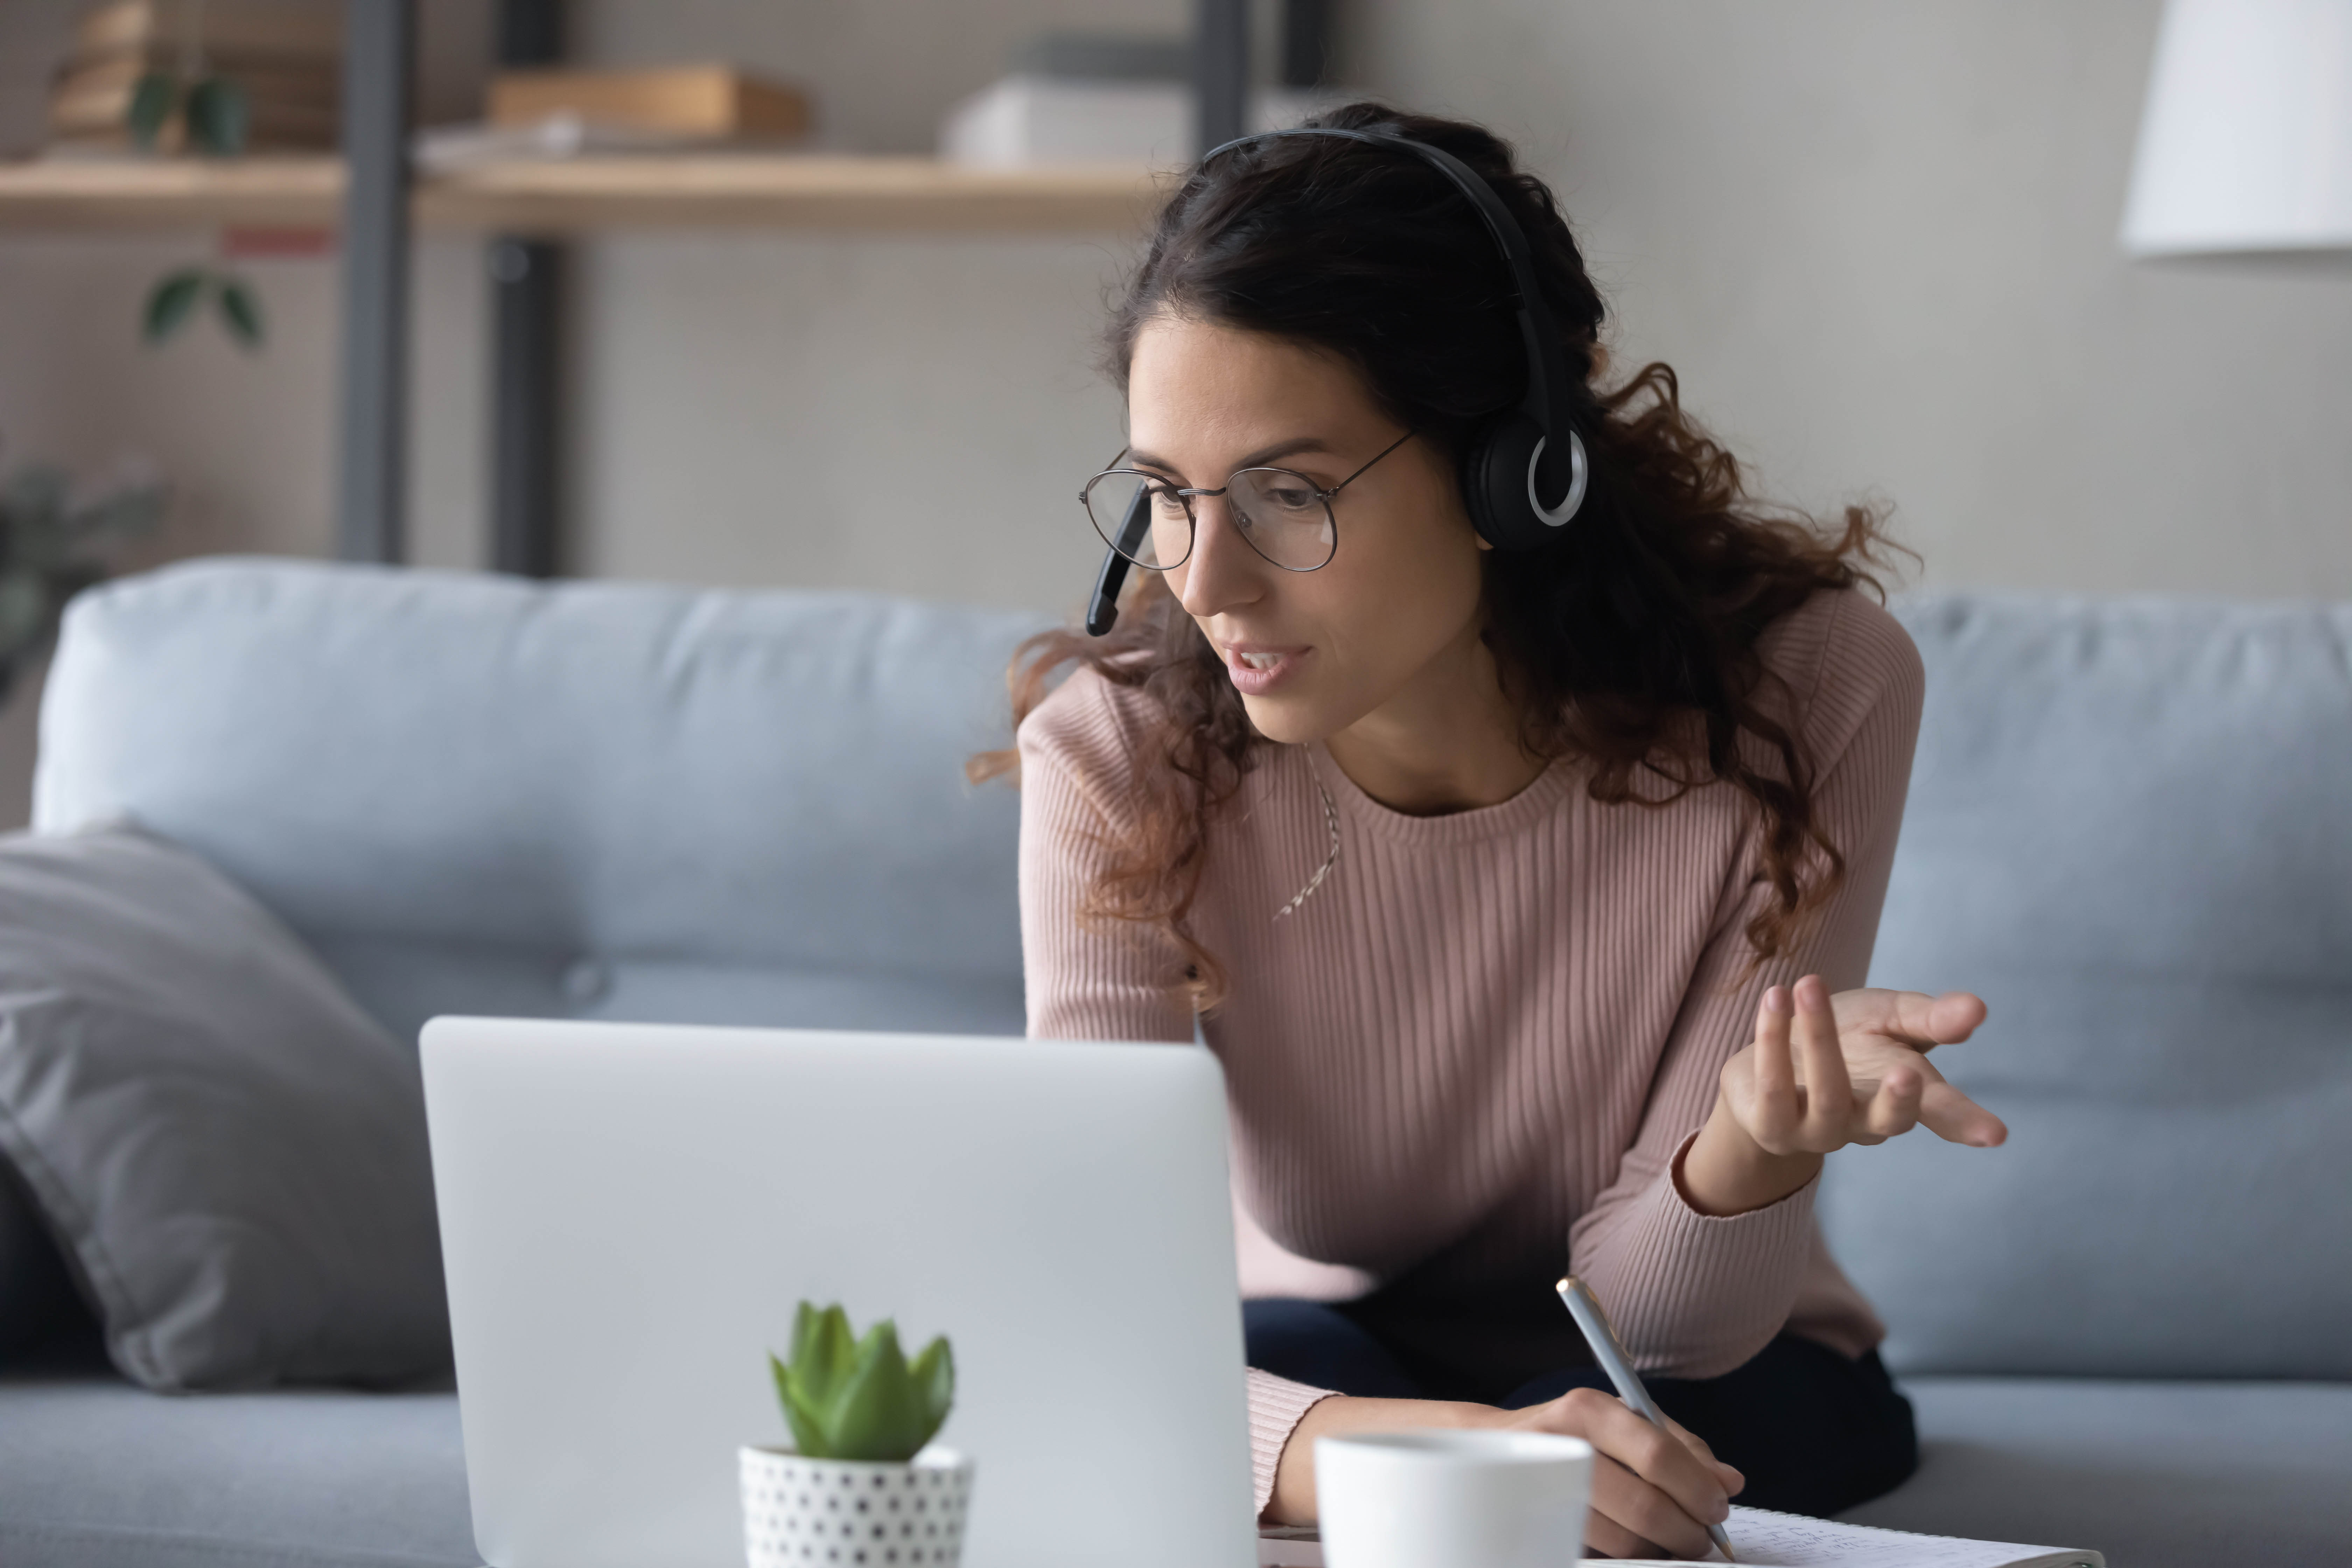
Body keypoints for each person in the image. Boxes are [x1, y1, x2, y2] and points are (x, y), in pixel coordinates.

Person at [977, 103, 2008, 1560]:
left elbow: (1674, 1325)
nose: (1207, 584)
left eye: (1286, 492)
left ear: (1517, 465)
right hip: (1329, 1358)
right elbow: (1091, 1337)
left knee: (1625, 1456)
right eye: (1165, 498)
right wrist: (1406, 1452)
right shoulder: (1117, 756)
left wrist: (1750, 1151)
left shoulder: (1809, 691)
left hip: (1708, 1367)